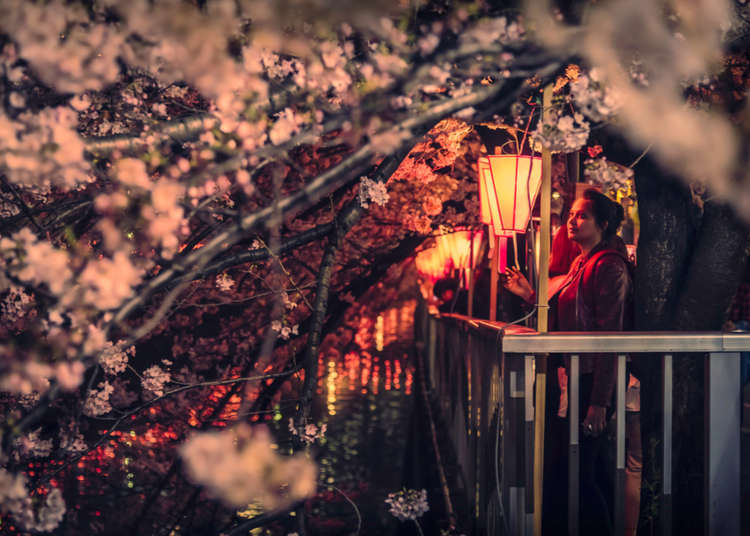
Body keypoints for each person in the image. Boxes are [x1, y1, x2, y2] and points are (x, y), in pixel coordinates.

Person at [503, 188, 634, 536]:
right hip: (577, 374)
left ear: (603, 224)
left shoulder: (609, 267)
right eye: (571, 215)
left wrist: (599, 402)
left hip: (594, 377)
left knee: (580, 471)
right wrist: (530, 296)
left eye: (582, 216)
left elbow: (611, 336)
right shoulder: (581, 263)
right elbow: (570, 315)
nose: (571, 222)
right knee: (583, 468)